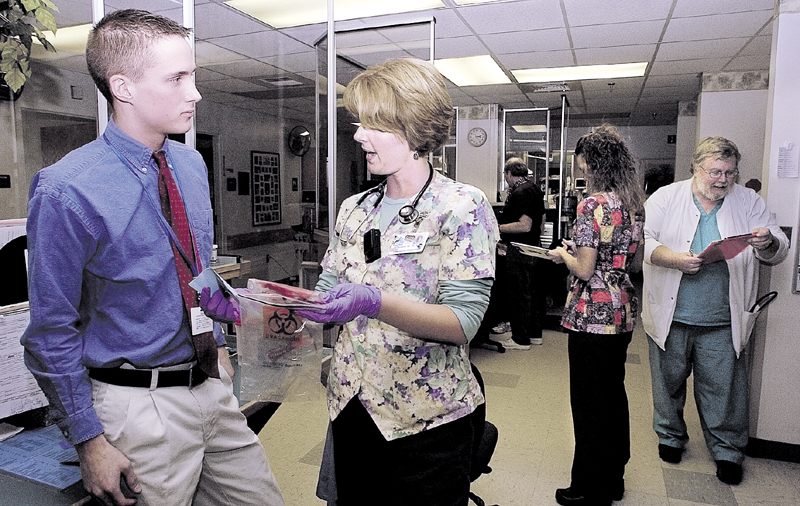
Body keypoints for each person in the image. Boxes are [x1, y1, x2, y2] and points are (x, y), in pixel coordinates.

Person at [21, 10, 285, 506]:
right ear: (123, 86)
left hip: (207, 382)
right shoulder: (65, 190)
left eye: (193, 75)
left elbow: (196, 269)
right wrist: (89, 440)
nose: (195, 93)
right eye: (177, 78)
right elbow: (50, 331)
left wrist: (221, 342)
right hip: (136, 404)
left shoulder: (188, 162)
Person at [298, 58, 499, 506]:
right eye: (358, 123)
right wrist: (259, 308)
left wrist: (373, 301)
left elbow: (462, 321)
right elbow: (324, 298)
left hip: (426, 424)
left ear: (414, 126)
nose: (357, 136)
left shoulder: (461, 207)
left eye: (373, 125)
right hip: (352, 410)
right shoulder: (354, 208)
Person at [642, 136, 788, 485]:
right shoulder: (666, 197)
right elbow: (644, 242)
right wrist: (674, 259)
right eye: (716, 172)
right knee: (667, 384)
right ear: (696, 168)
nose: (723, 180)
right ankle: (670, 436)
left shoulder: (748, 200)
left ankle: (726, 450)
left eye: (730, 172)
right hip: (671, 314)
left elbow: (778, 247)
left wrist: (767, 242)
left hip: (723, 318)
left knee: (723, 390)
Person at [548, 125, 645, 506]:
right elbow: (633, 262)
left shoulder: (592, 205)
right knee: (613, 396)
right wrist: (593, 253)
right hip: (621, 310)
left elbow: (585, 270)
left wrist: (564, 255)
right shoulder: (633, 203)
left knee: (588, 403)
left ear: (589, 162)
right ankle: (613, 478)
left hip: (593, 315)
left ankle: (589, 486)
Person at [476, 157, 546, 350]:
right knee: (531, 293)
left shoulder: (520, 193)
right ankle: (534, 334)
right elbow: (539, 223)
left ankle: (520, 339)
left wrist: (496, 229)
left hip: (518, 249)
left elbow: (524, 226)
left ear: (508, 174)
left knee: (518, 296)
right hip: (532, 248)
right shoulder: (534, 189)